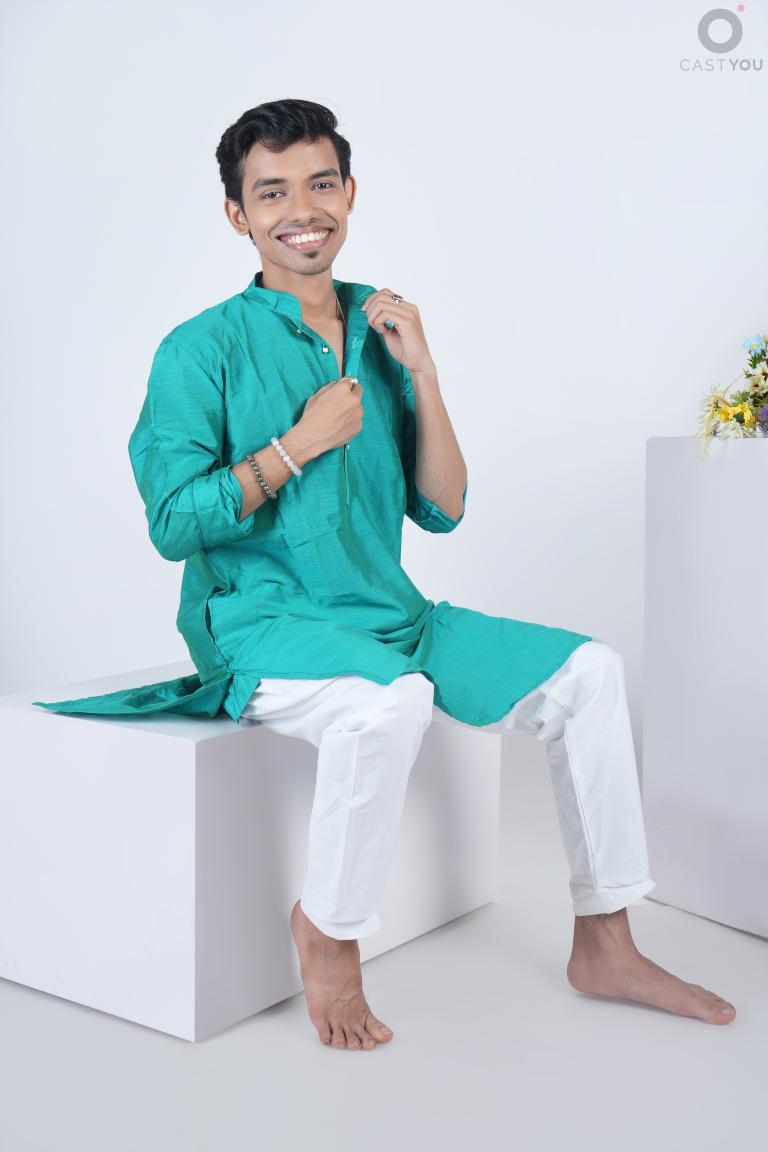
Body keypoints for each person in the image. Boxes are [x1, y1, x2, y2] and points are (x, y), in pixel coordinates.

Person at [32, 99, 736, 1046]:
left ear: (350, 193)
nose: (302, 210)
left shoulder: (383, 325)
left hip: (391, 613)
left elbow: (442, 506)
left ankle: (605, 940)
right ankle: (328, 933)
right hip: (260, 618)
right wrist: (297, 445)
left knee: (592, 674)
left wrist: (425, 372)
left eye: (320, 184)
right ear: (237, 215)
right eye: (271, 193)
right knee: (389, 704)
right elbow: (172, 524)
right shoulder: (199, 349)